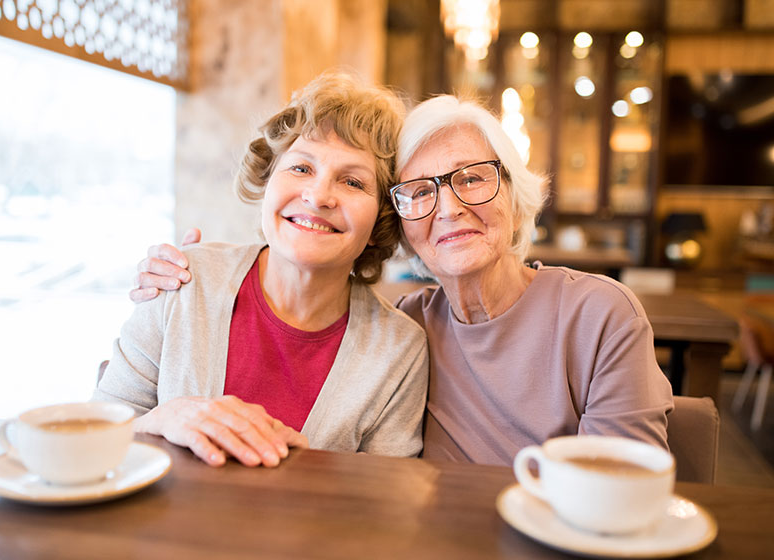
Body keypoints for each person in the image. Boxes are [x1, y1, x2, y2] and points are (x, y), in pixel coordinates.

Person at [132, 94, 674, 467]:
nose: (451, 207)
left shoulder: (596, 315)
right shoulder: (411, 328)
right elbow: (111, 412)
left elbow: (623, 486)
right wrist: (177, 283)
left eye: (473, 178)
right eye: (420, 190)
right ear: (401, 222)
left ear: (513, 192)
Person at [96, 73, 429, 469]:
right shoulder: (183, 278)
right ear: (269, 179)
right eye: (302, 168)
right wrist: (160, 420)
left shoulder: (398, 350)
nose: (318, 196)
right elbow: (95, 436)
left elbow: (385, 506)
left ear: (380, 221)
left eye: (352, 182)